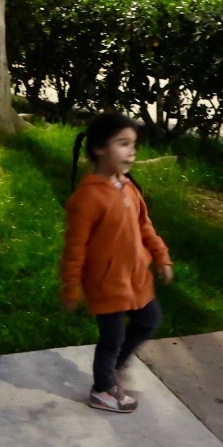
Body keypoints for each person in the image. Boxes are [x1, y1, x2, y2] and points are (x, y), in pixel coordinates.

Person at [60, 112, 173, 414]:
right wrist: (71, 288)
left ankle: (117, 362)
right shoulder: (86, 199)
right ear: (99, 148)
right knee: (112, 337)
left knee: (149, 320)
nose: (132, 151)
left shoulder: (129, 187)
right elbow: (75, 248)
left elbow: (145, 226)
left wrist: (161, 257)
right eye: (123, 144)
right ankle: (102, 389)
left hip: (137, 279)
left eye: (133, 144)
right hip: (107, 283)